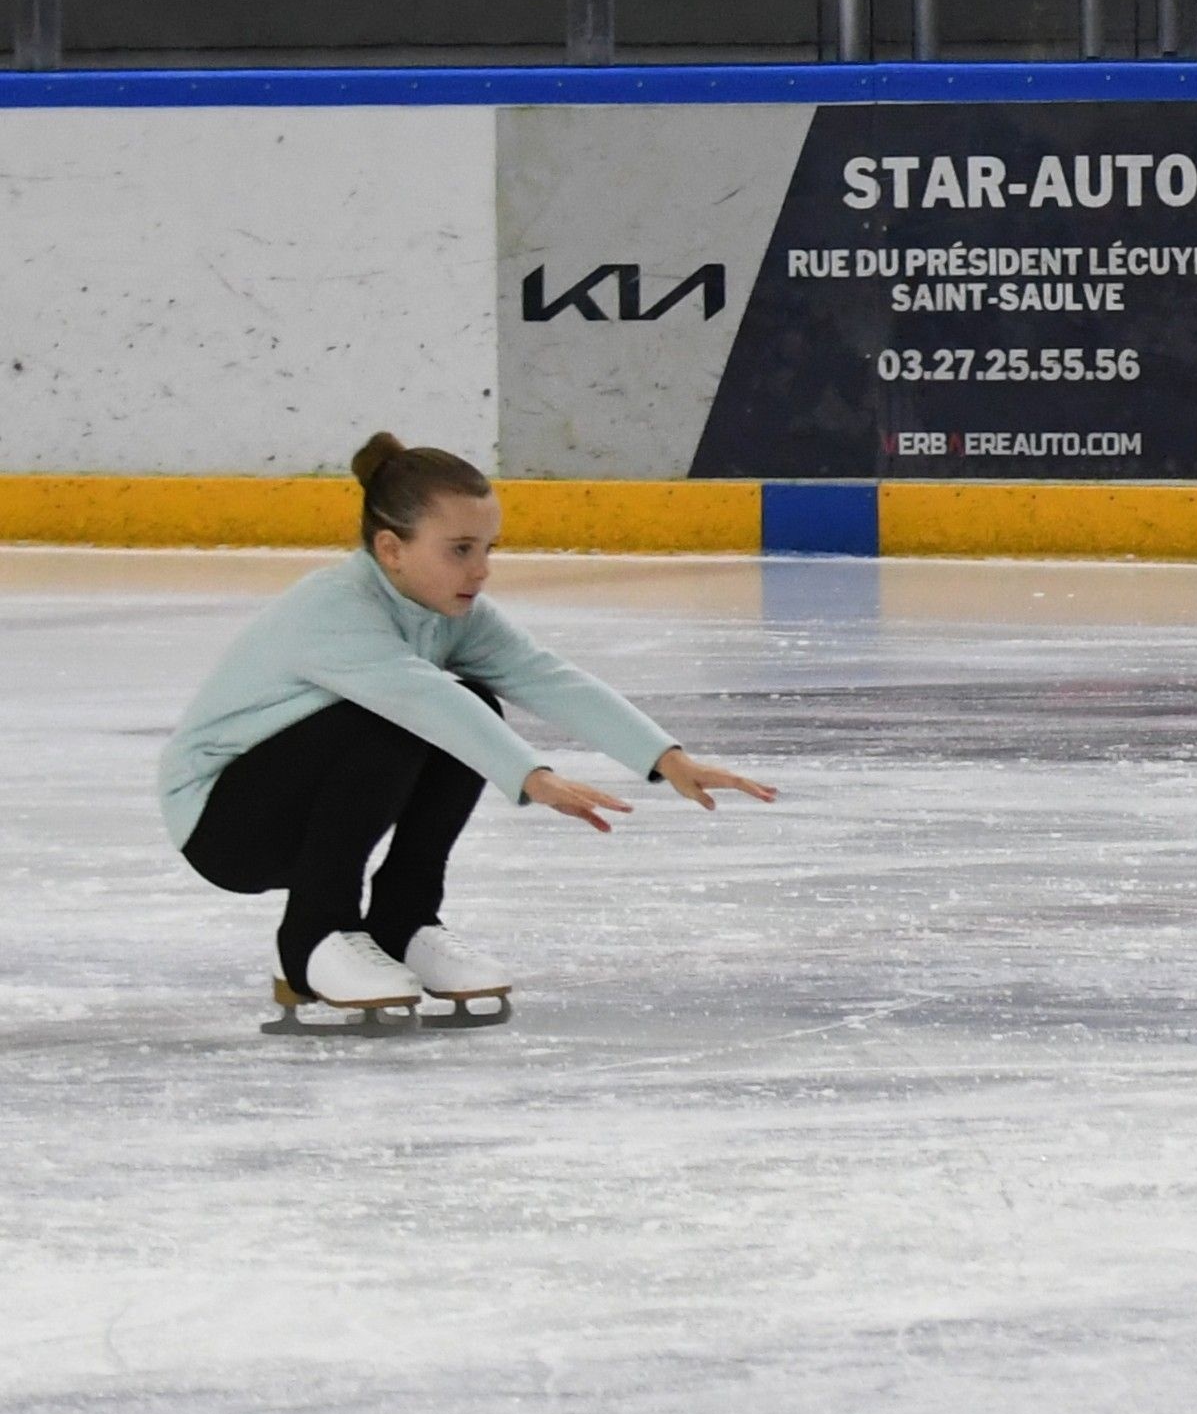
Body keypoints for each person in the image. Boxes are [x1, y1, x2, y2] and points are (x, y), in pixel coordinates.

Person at [158, 434, 775, 1026]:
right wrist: (532, 776)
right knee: (402, 718)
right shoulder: (336, 609)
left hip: (300, 808)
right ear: (392, 549)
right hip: (224, 826)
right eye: (459, 550)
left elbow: (545, 676)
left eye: (487, 549)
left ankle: (402, 921)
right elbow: (423, 699)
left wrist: (666, 758)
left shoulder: (450, 612)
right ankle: (312, 937)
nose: (480, 570)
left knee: (473, 699)